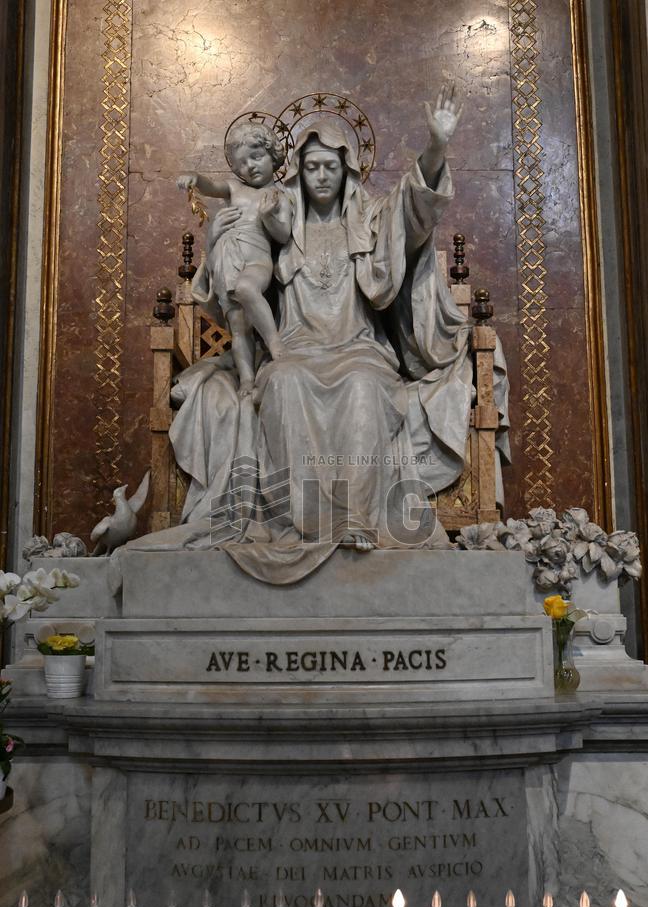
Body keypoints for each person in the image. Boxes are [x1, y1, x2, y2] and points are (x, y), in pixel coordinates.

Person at [133, 85, 510, 584]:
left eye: (331, 166)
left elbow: (414, 211)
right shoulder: (276, 221)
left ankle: (354, 519)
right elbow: (231, 280)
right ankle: (299, 524)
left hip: (359, 352)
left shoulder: (370, 220)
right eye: (311, 167)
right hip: (296, 351)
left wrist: (437, 146)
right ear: (298, 172)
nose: (321, 176)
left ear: (348, 167)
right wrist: (215, 234)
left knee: (361, 388)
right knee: (285, 384)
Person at [176, 121, 292, 395]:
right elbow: (210, 186)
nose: (250, 166)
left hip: (256, 259)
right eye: (241, 163)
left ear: (272, 155)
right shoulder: (234, 188)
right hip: (227, 261)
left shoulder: (279, 195)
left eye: (256, 156)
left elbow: (284, 235)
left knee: (246, 288)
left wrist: (267, 216)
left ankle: (275, 344)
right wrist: (195, 177)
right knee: (238, 327)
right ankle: (247, 380)